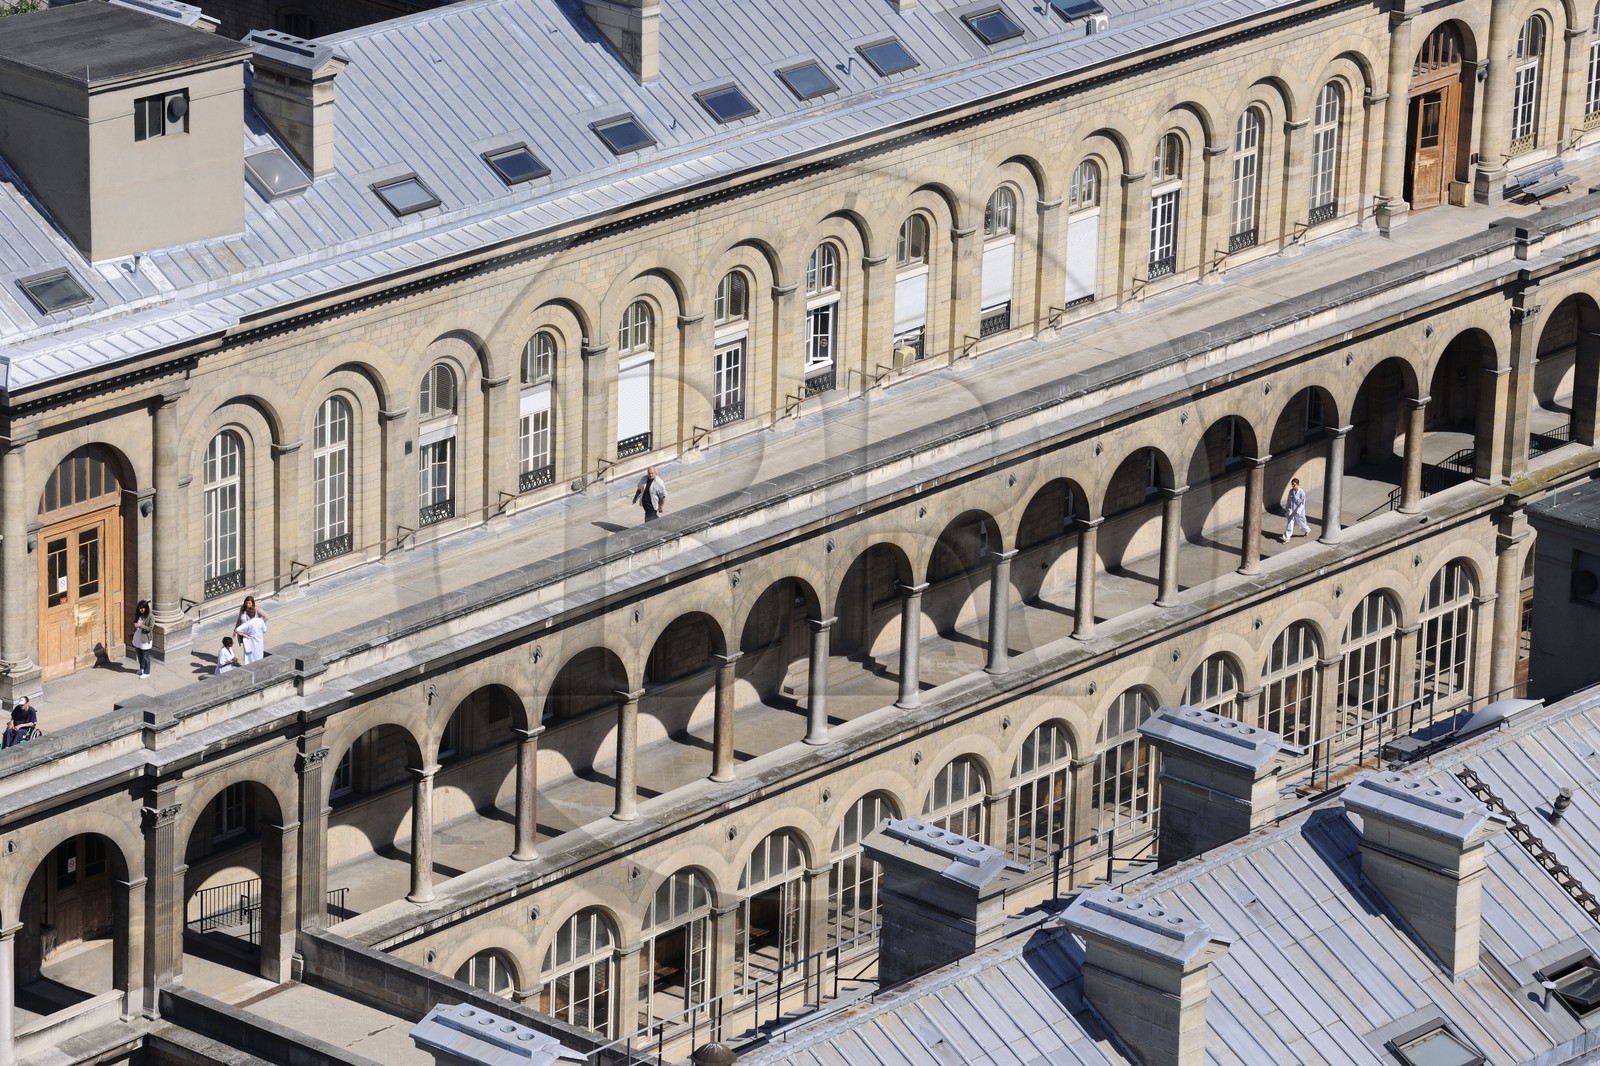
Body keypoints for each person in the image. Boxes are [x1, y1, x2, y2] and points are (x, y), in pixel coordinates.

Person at [234, 595, 268, 664]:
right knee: (250, 654)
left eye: (249, 603)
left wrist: (259, 625)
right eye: (246, 603)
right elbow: (238, 622)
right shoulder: (243, 612)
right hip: (247, 637)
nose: (247, 605)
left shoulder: (255, 618)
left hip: (254, 638)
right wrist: (242, 634)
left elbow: (266, 617)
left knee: (254, 654)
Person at [1282, 477, 1310, 542]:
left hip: (1299, 512)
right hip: (1291, 511)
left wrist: (1298, 511)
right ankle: (1286, 539)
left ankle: (1306, 531)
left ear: (1298, 484)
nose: (1293, 486)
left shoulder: (1301, 493)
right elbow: (1288, 501)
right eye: (1292, 484)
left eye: (1294, 484)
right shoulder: (1291, 492)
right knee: (1290, 524)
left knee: (1302, 523)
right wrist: (1286, 509)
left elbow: (1302, 503)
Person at [131, 599, 154, 679]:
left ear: (146, 608)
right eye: (139, 608)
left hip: (145, 639)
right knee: (139, 655)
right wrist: (135, 624)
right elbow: (135, 621)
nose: (141, 610)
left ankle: (147, 672)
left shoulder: (150, 616)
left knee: (145, 656)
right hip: (138, 637)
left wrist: (140, 626)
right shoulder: (139, 615)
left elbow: (150, 628)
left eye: (142, 608)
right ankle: (142, 669)